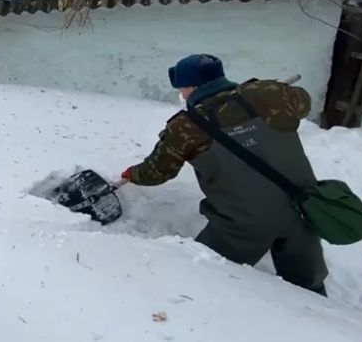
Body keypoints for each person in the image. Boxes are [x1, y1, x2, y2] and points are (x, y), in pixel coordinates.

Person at [120, 54, 328, 297]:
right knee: (309, 290)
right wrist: (265, 94)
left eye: (182, 88)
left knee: (203, 279)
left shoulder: (185, 127)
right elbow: (303, 101)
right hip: (303, 209)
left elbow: (156, 172)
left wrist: (133, 174)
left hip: (242, 225)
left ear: (193, 87)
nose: (182, 94)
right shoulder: (270, 94)